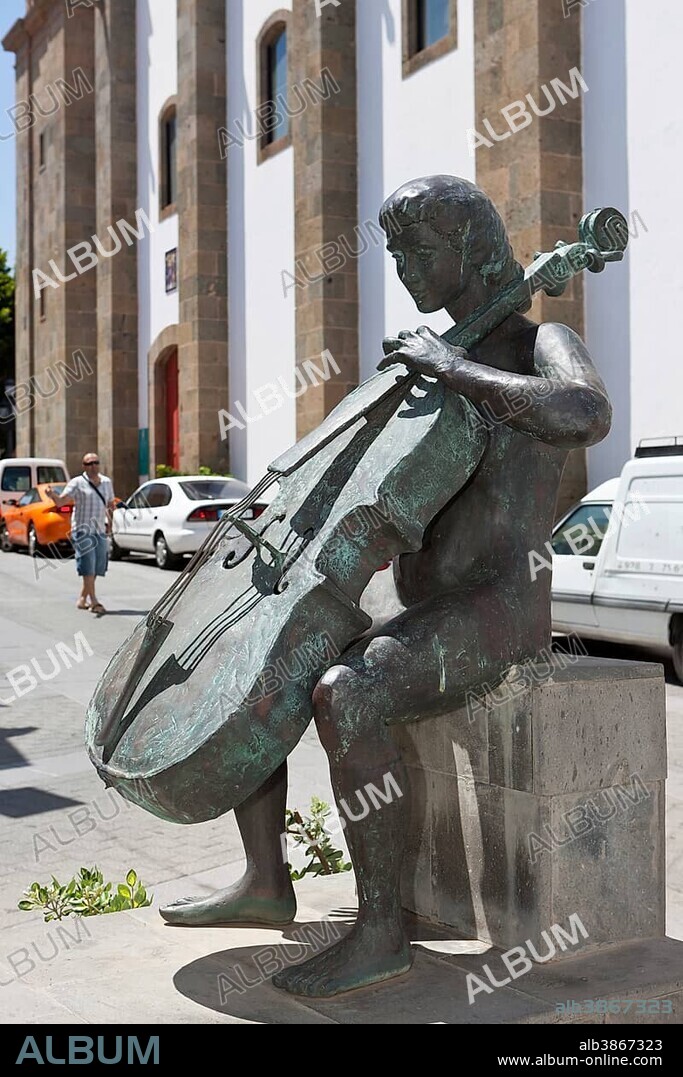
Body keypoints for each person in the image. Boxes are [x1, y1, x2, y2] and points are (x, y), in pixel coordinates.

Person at [159, 176, 612, 997]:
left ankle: (380, 932)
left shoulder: (535, 343)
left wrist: (455, 369)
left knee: (345, 692)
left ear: (472, 251)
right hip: (422, 604)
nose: (401, 267)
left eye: (416, 250)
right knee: (269, 669)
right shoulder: (438, 358)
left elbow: (583, 412)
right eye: (395, 250)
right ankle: (265, 880)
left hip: (498, 606)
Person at [48, 454, 117, 614]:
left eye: (96, 463)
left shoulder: (106, 482)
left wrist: (110, 524)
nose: (93, 466)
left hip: (99, 530)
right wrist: (52, 495)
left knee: (99, 565)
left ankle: (81, 598)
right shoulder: (77, 483)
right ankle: (94, 601)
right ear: (84, 466)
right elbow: (61, 502)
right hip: (82, 530)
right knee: (88, 566)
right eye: (89, 463)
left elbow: (110, 504)